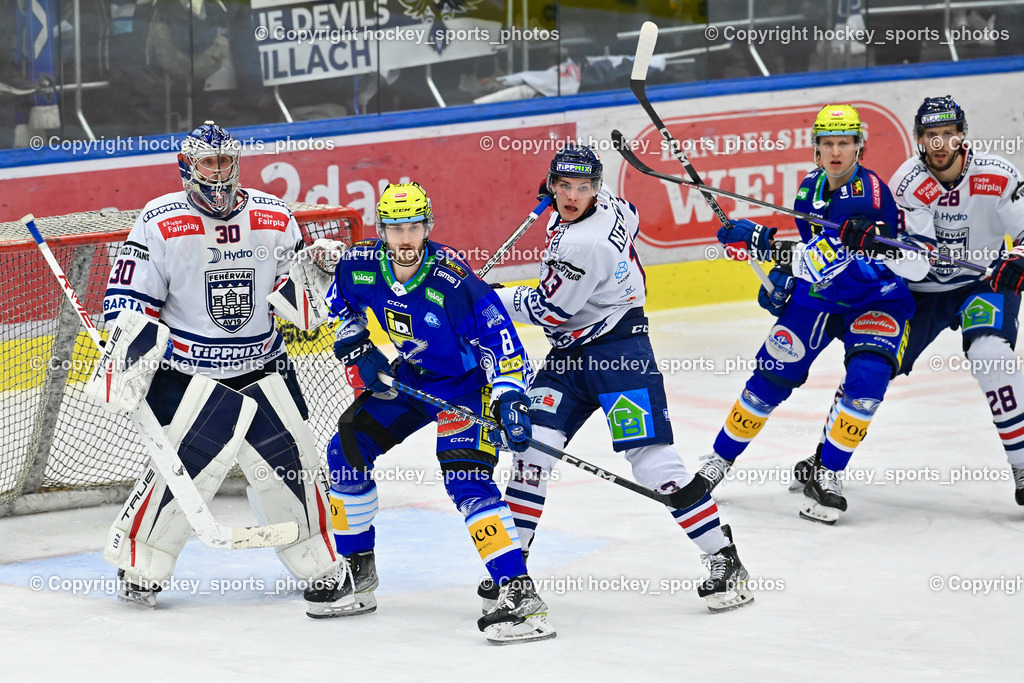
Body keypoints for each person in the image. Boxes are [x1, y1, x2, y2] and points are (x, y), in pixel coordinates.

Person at [490, 144, 754, 612]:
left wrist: (491, 299)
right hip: (570, 358)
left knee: (652, 461)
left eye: (583, 188)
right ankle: (513, 569)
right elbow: (629, 214)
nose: (573, 196)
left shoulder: (582, 243)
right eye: (565, 186)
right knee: (530, 452)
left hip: (619, 354)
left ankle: (724, 558)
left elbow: (553, 309)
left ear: (595, 189)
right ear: (552, 184)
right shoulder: (609, 201)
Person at [94, 121, 340, 608]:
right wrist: (128, 353)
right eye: (210, 163)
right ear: (187, 167)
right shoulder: (159, 220)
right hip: (190, 376)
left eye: (226, 162)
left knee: (297, 469)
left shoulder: (274, 215)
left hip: (265, 366)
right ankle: (141, 564)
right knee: (183, 474)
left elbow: (301, 305)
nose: (220, 172)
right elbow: (128, 299)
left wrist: (321, 271)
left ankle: (318, 560)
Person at [305, 182, 554, 645]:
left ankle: (520, 596)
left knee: (466, 479)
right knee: (346, 451)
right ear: (382, 230)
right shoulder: (360, 265)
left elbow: (501, 341)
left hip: (466, 385)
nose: (404, 238)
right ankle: (359, 576)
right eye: (395, 228)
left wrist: (510, 398)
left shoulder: (453, 279)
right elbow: (340, 306)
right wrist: (356, 343)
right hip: (412, 376)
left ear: (428, 227)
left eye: (414, 227)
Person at [698, 104, 918, 525]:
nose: (836, 151)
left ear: (859, 147)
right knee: (768, 380)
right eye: (828, 143)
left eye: (845, 143)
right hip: (822, 299)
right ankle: (717, 463)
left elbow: (827, 258)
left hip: (876, 298)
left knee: (868, 380)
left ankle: (829, 473)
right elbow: (813, 265)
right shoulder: (808, 190)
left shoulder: (869, 195)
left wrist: (761, 240)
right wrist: (781, 281)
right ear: (816, 149)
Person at [887, 95, 1024, 505]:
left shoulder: (998, 175)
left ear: (963, 136)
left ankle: (1022, 464)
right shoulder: (906, 183)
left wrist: (1018, 259)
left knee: (991, 356)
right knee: (873, 364)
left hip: (981, 283)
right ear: (919, 139)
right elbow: (913, 254)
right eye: (933, 136)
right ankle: (828, 457)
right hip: (923, 292)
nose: (942, 144)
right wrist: (911, 252)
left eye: (949, 134)